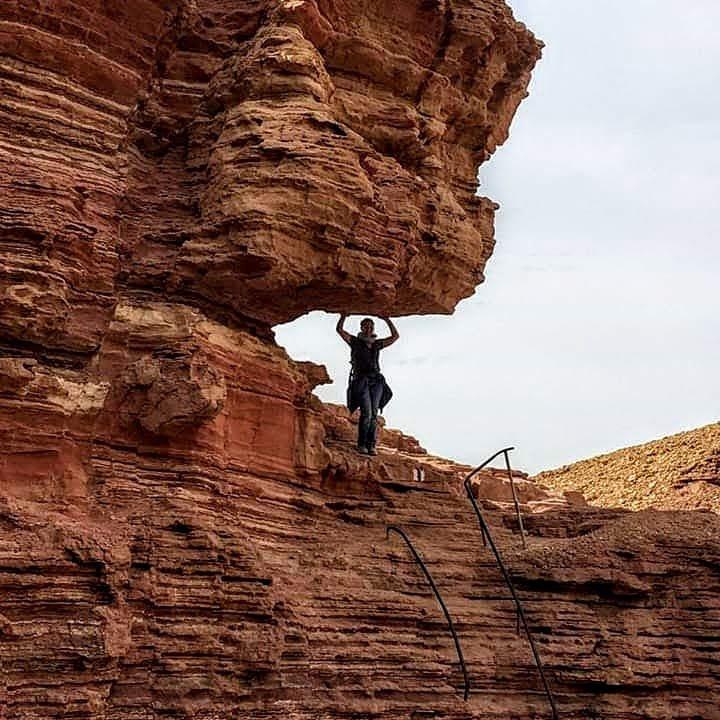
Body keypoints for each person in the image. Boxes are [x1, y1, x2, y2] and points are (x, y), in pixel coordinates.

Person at [336, 314, 399, 455]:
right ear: (361, 327)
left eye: (371, 326)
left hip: (376, 381)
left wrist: (387, 320)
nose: (369, 329)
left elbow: (395, 337)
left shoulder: (377, 344)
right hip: (361, 380)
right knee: (367, 413)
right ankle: (362, 444)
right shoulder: (355, 341)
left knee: (374, 414)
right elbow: (339, 330)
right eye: (366, 326)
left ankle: (371, 446)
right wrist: (343, 315)